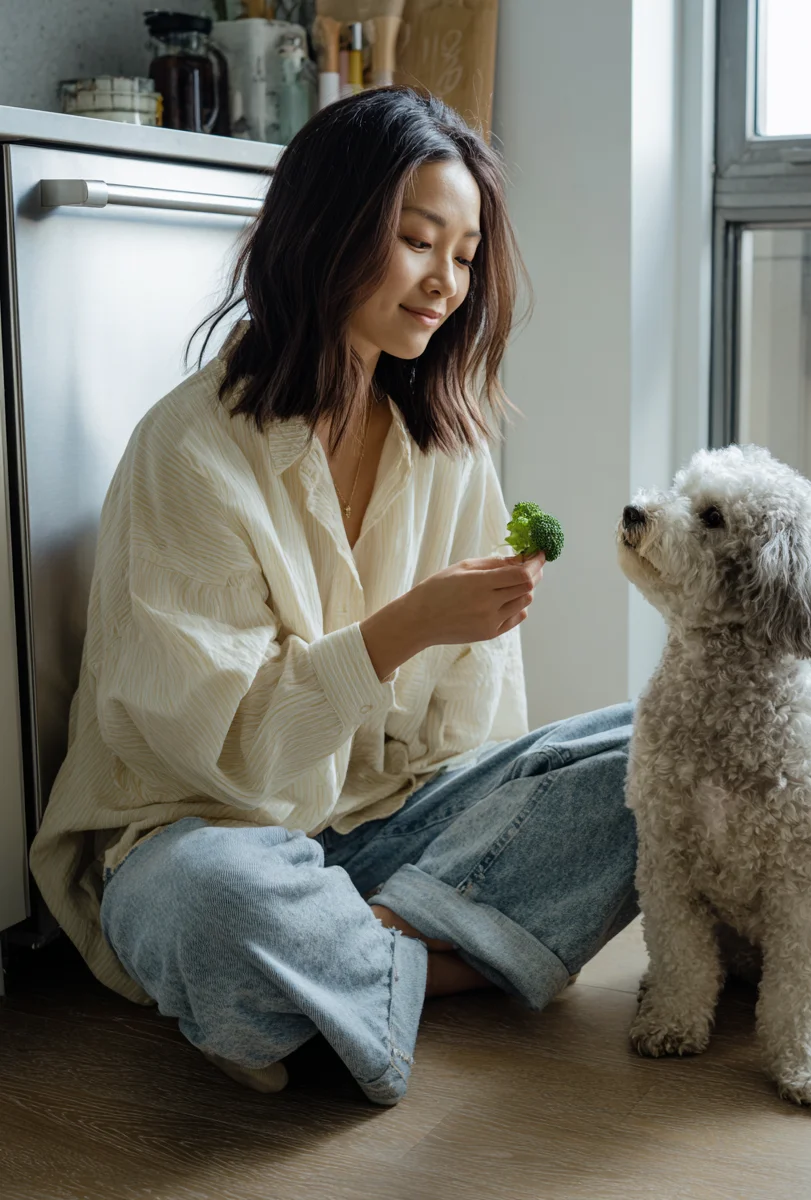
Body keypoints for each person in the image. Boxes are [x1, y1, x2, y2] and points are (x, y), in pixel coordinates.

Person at [29, 87, 639, 1104]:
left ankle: (335, 980)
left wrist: (479, 823)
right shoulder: (187, 451)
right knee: (213, 910)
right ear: (327, 229)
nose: (445, 281)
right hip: (204, 835)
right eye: (415, 240)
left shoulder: (449, 451)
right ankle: (449, 958)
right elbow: (226, 758)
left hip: (383, 829)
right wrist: (400, 631)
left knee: (658, 753)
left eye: (465, 253)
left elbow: (470, 741)